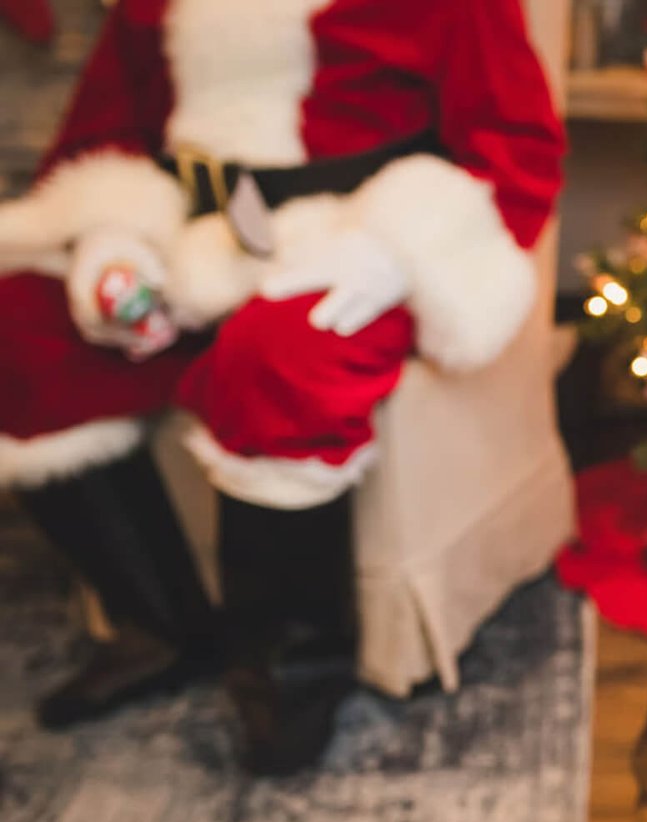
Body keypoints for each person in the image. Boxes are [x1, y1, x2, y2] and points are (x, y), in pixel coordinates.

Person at [0, 0, 565, 774]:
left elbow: (515, 144)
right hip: (185, 231)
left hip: (348, 242)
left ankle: (290, 677)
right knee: (17, 335)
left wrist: (398, 251)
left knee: (280, 363)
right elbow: (107, 131)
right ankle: (161, 625)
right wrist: (113, 239)